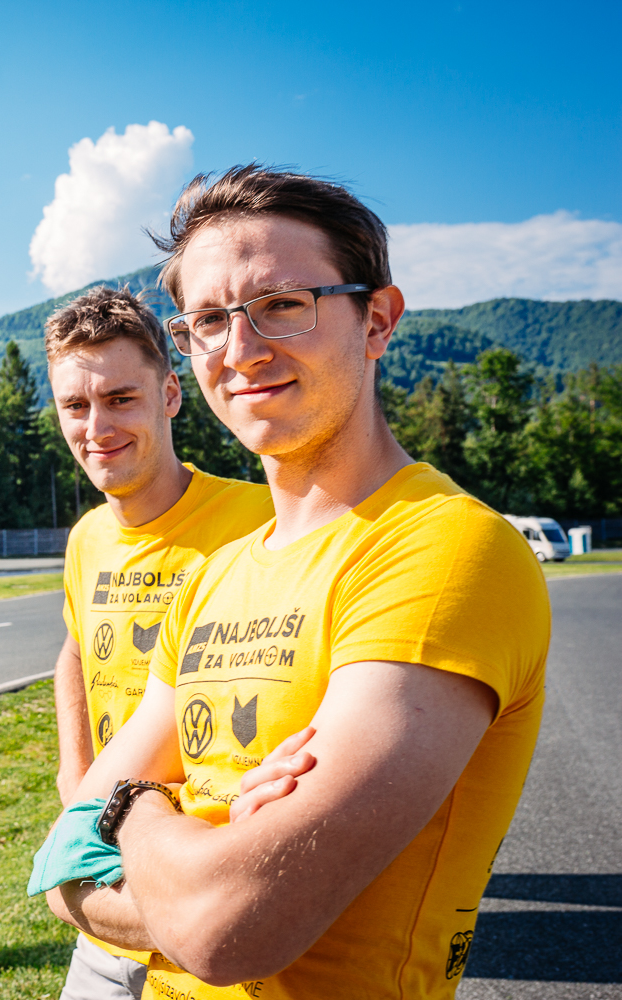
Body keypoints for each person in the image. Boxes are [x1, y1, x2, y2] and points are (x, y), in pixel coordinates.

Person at [44, 166, 550, 999]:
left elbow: (232, 928)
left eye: (282, 304)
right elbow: (60, 869)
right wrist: (204, 846)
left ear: (376, 320)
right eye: (209, 320)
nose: (241, 350)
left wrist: (131, 807)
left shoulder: (448, 550)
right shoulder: (214, 578)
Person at [45, 285, 274, 999]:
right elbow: (75, 650)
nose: (97, 426)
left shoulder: (258, 519)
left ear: (171, 395)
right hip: (107, 876)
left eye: (121, 398)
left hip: (212, 871)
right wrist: (75, 773)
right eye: (75, 405)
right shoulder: (87, 537)